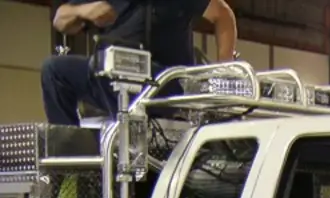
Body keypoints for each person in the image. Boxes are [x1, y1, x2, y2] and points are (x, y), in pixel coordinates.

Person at [41, 0, 238, 126]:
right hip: (108, 77)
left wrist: (223, 69)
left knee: (110, 66)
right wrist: (85, 10)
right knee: (54, 70)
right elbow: (60, 19)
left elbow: (223, 14)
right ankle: (69, 165)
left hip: (161, 83)